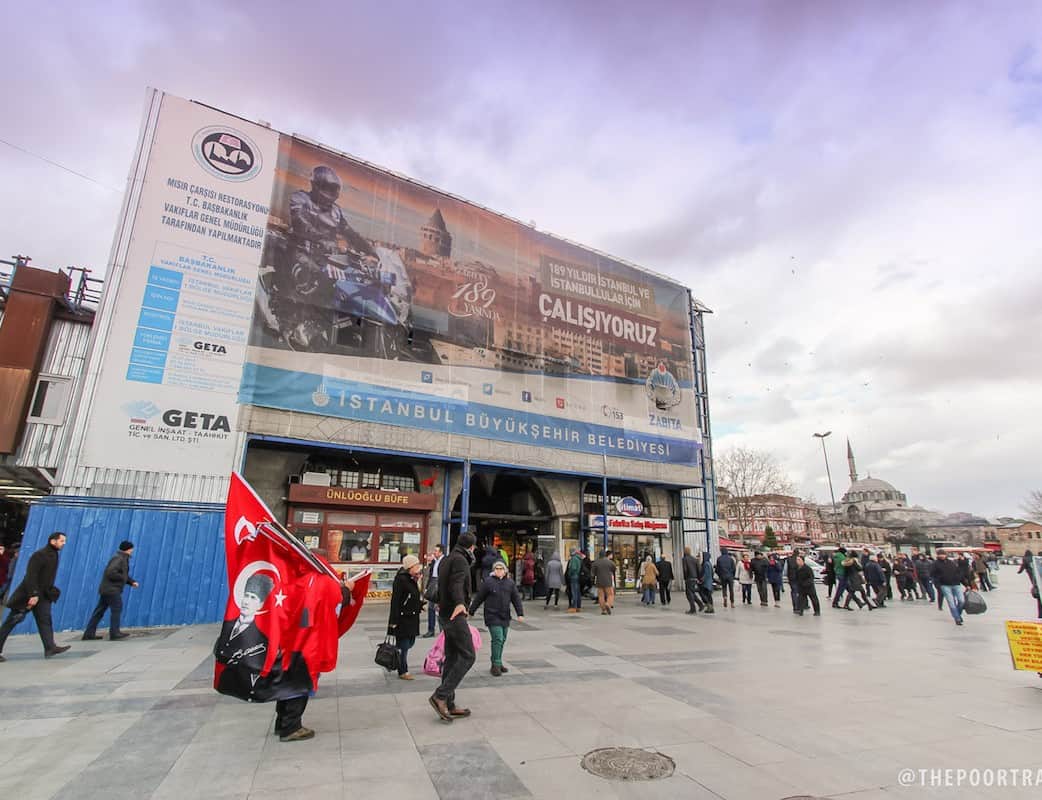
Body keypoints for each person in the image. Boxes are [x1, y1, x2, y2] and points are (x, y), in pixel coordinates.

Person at [0, 532, 70, 662]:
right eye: (61, 541)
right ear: (53, 541)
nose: (64, 543)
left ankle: (50, 647)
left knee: (45, 620)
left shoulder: (54, 554)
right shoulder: (39, 555)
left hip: (43, 596)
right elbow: (31, 576)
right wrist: (33, 594)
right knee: (11, 622)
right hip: (28, 595)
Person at [430, 532, 478, 723]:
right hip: (454, 613)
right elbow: (456, 584)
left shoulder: (447, 559)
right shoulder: (460, 560)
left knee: (452, 656)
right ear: (471, 547)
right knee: (468, 655)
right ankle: (440, 696)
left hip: (445, 612)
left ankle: (448, 703)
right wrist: (460, 603)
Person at [469, 561, 524, 676]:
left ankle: (497, 660)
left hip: (505, 616)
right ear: (493, 571)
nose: (499, 571)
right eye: (496, 569)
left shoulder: (510, 583)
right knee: (497, 638)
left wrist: (520, 613)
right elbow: (479, 597)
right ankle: (495, 664)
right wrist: (471, 611)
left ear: (505, 571)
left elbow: (516, 599)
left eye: (501, 569)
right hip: (492, 615)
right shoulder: (488, 582)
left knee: (502, 639)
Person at [82, 540, 140, 641]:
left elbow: (122, 574)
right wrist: (123, 578)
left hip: (107, 589)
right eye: (131, 549)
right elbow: (111, 572)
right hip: (112, 589)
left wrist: (131, 582)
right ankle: (115, 633)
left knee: (99, 611)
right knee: (116, 608)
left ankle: (89, 634)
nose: (132, 551)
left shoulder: (121, 557)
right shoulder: (119, 558)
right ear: (128, 549)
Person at [388, 555, 423, 680]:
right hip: (403, 618)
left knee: (410, 643)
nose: (419, 567)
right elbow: (396, 601)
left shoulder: (412, 578)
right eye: (416, 565)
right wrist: (393, 621)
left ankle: (397, 662)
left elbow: (413, 596)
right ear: (410, 567)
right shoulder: (401, 580)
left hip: (412, 617)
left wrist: (419, 606)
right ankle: (403, 670)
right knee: (404, 646)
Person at [931, 551, 966, 626]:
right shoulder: (935, 564)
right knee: (951, 602)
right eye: (940, 554)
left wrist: (965, 583)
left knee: (961, 601)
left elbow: (958, 572)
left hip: (956, 584)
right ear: (938, 555)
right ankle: (957, 618)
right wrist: (938, 584)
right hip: (944, 585)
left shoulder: (951, 562)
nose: (942, 556)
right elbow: (933, 575)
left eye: (943, 554)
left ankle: (957, 614)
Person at [422, 544, 444, 638]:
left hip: (440, 585)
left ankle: (442, 630)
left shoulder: (445, 561)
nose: (434, 552)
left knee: (439, 609)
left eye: (436, 551)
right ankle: (431, 630)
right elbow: (430, 575)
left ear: (441, 552)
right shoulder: (434, 561)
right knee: (431, 607)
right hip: (433, 583)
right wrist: (427, 587)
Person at [592, 550, 617, 615]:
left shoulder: (595, 562)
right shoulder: (610, 562)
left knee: (601, 596)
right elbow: (614, 569)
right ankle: (608, 604)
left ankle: (603, 610)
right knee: (610, 594)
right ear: (605, 555)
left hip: (599, 581)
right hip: (608, 581)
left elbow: (592, 573)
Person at [682, 547, 702, 614]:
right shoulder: (695, 559)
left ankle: (693, 609)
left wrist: (685, 578)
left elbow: (685, 569)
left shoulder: (685, 559)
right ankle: (700, 605)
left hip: (689, 578)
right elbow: (699, 569)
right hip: (694, 578)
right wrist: (698, 578)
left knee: (689, 594)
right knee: (692, 593)